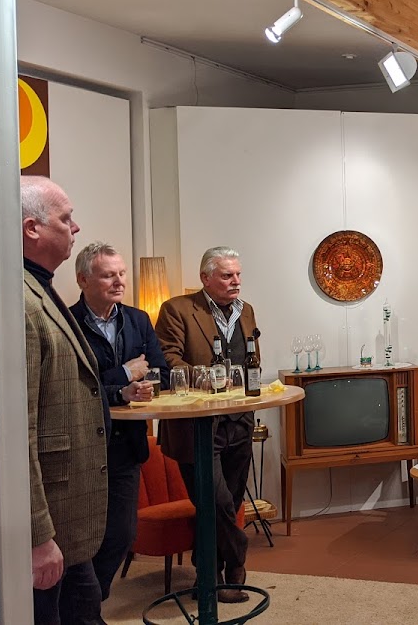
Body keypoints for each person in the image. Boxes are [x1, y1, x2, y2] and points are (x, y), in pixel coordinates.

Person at [0, 176, 152, 624]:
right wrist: (35, 535)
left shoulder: (37, 289)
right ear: (31, 228)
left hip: (66, 519)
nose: (76, 228)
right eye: (65, 218)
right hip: (45, 525)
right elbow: (11, 433)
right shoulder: (13, 301)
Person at [154, 246, 260, 604]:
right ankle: (238, 559)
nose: (236, 281)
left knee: (229, 500)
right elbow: (166, 358)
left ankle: (210, 577)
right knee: (216, 502)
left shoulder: (247, 311)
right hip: (197, 426)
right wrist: (209, 378)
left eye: (238, 274)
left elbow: (251, 359)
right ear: (205, 278)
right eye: (227, 275)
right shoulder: (177, 309)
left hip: (240, 422)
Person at [69, 242, 166, 601]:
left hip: (127, 443)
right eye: (108, 275)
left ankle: (91, 605)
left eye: (121, 273)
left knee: (122, 534)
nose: (119, 281)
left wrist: (142, 385)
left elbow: (160, 371)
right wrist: (123, 378)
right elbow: (75, 388)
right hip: (84, 447)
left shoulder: (138, 319)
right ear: (83, 280)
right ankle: (85, 610)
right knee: (83, 538)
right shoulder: (68, 324)